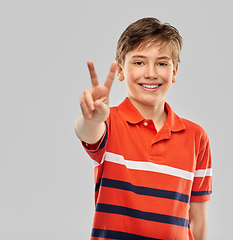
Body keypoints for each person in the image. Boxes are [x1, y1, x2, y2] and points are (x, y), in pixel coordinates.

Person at [74, 17, 212, 240]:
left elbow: (198, 219)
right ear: (120, 70)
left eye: (162, 63)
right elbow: (87, 131)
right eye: (139, 62)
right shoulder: (109, 123)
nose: (150, 73)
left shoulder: (197, 137)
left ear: (174, 71)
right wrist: (92, 118)